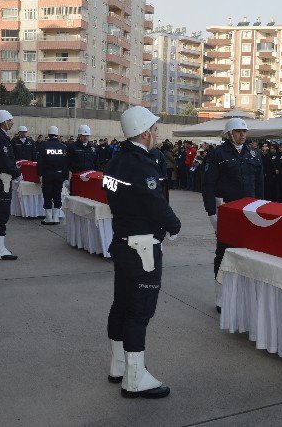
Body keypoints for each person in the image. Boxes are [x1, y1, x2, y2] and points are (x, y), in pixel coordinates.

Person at [104, 106, 181, 399]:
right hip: (143, 247)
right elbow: (154, 202)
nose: (157, 134)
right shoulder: (142, 164)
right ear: (145, 132)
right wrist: (174, 225)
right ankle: (134, 379)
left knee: (121, 305)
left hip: (123, 242)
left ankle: (118, 366)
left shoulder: (115, 161)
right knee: (139, 312)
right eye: (155, 129)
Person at [202, 118, 264, 313]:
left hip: (250, 212)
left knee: (249, 253)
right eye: (238, 132)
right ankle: (221, 295)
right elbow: (208, 185)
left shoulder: (254, 154)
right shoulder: (217, 155)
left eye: (244, 132)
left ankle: (244, 295)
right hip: (227, 212)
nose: (242, 135)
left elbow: (260, 184)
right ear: (229, 134)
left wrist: (262, 209)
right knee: (224, 253)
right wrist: (212, 213)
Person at [0, 110, 21, 260]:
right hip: (2, 180)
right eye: (10, 120)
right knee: (2, 214)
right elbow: (5, 161)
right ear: (3, 121)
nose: (12, 123)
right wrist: (17, 172)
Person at [37, 126, 68, 225]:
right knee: (57, 195)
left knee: (47, 195)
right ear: (57, 134)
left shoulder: (43, 145)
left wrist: (40, 174)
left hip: (47, 174)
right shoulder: (63, 147)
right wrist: (65, 177)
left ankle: (48, 218)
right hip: (59, 174)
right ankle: (56, 218)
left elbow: (40, 162)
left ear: (48, 134)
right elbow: (65, 163)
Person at [67, 125, 98, 191]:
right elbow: (68, 162)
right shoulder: (72, 147)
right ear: (79, 135)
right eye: (83, 135)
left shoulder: (93, 147)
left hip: (89, 176)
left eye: (87, 136)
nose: (85, 137)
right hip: (77, 175)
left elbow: (96, 161)